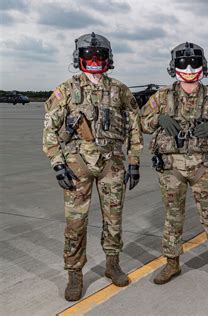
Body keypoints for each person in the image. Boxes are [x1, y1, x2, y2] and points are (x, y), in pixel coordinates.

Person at [42, 32, 143, 301]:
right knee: (75, 222)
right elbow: (50, 128)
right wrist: (57, 163)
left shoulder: (119, 90)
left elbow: (135, 127)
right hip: (78, 164)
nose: (95, 60)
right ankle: (75, 273)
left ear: (109, 59)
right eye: (89, 55)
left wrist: (134, 161)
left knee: (114, 217)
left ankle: (112, 264)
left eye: (100, 55)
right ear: (79, 58)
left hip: (113, 162)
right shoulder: (66, 89)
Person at [140, 42, 208, 286]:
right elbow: (142, 122)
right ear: (174, 66)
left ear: (202, 66)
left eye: (194, 62)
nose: (188, 68)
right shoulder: (162, 97)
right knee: (173, 217)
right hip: (171, 167)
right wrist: (158, 119)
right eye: (183, 63)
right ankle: (171, 263)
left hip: (202, 167)